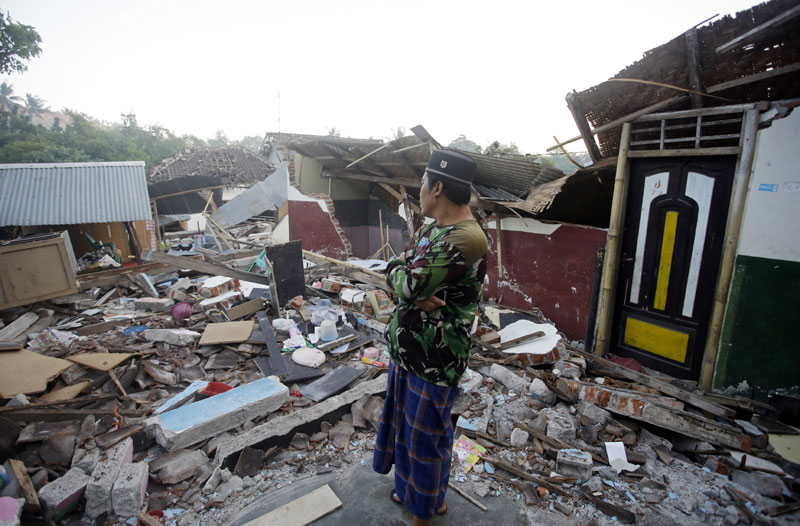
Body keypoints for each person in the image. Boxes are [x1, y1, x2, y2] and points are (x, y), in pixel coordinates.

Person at [373, 149, 488, 525]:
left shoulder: (467, 237)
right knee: (407, 433)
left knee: (426, 441)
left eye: (422, 184)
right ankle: (416, 496)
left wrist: (405, 280)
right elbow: (400, 268)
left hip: (435, 360)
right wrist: (404, 281)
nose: (419, 191)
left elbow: (408, 279)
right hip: (411, 352)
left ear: (437, 187)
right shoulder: (432, 229)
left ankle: (424, 513)